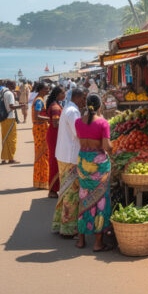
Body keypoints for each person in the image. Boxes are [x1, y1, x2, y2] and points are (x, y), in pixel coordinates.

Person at [74, 93, 113, 251]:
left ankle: (81, 240)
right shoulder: (103, 123)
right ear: (99, 106)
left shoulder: (78, 122)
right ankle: (98, 243)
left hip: (83, 161)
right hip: (98, 163)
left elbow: (81, 137)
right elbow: (107, 147)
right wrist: (113, 148)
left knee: (84, 198)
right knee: (100, 201)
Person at [52, 88, 84, 237]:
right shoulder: (73, 111)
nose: (84, 102)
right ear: (78, 97)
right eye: (83, 99)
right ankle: (68, 228)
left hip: (63, 155)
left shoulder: (68, 108)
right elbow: (79, 133)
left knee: (64, 192)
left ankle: (60, 224)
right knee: (71, 194)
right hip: (70, 157)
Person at [45, 86, 64, 198]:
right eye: (63, 92)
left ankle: (55, 187)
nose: (65, 94)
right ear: (58, 94)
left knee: (55, 160)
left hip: (54, 134)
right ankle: (52, 189)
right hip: (55, 135)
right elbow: (56, 123)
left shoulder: (54, 104)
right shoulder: (56, 107)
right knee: (54, 161)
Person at [31, 82, 50, 190]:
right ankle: (42, 180)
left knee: (43, 154)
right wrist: (49, 119)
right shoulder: (39, 100)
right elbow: (37, 116)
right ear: (41, 90)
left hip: (41, 129)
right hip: (40, 129)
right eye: (46, 89)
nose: (48, 90)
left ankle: (41, 180)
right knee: (42, 154)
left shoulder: (40, 99)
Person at [0, 81, 22, 164]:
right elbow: (12, 107)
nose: (14, 86)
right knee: (12, 139)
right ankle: (11, 158)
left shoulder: (2, 92)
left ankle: (4, 158)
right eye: (13, 85)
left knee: (5, 138)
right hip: (10, 118)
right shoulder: (10, 94)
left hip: (3, 118)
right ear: (8, 85)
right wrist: (21, 106)